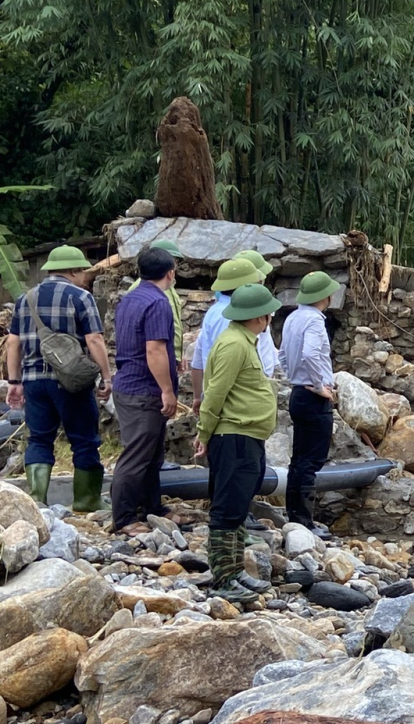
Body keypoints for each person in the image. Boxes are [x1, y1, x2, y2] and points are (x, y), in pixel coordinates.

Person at [6, 244, 113, 511]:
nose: (85, 277)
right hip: (71, 382)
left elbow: (12, 343)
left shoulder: (25, 298)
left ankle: (38, 499)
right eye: (83, 272)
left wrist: (14, 382)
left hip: (33, 381)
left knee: (39, 439)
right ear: (74, 270)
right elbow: (94, 339)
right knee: (84, 439)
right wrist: (106, 375)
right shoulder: (81, 297)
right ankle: (87, 500)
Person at [197, 281, 281, 601]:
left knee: (238, 504)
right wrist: (204, 433)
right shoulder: (234, 344)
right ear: (260, 317)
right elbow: (215, 393)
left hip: (246, 436)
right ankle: (223, 578)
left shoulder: (244, 341)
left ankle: (234, 572)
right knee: (227, 508)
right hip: (233, 435)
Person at [110, 247, 180, 533]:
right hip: (144, 389)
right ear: (170, 273)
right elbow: (154, 349)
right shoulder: (158, 302)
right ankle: (124, 517)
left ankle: (153, 507)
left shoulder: (130, 298)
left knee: (152, 454)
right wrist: (167, 389)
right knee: (138, 455)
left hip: (127, 383)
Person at [280, 270, 341, 537]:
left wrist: (293, 377)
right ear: (325, 296)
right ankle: (304, 521)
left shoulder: (293, 317)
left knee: (298, 458)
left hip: (297, 392)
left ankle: (294, 515)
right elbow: (310, 354)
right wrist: (321, 387)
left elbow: (283, 355)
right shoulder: (315, 321)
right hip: (313, 396)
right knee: (312, 460)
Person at [189, 255, 280, 409]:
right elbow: (228, 365)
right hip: (236, 400)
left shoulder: (214, 311)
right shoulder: (233, 316)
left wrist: (198, 395)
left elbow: (199, 355)